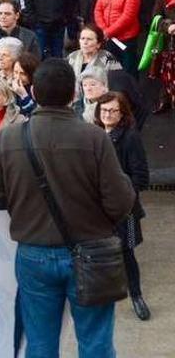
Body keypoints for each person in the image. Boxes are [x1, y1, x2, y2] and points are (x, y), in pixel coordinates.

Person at [0, 58, 135, 357]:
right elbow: (121, 202)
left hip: (34, 251)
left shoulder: (10, 137)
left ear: (33, 92)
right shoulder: (95, 137)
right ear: (73, 95)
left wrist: (23, 202)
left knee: (39, 344)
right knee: (96, 342)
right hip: (91, 250)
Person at [94, 91, 151, 321]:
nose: (107, 114)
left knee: (126, 253)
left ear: (122, 112)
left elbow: (141, 177)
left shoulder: (130, 137)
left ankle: (136, 296)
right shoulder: (93, 134)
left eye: (113, 110)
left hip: (123, 210)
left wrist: (119, 194)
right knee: (96, 254)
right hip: (96, 210)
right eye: (103, 110)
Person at [93, 0, 141, 74]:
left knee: (128, 69)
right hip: (108, 38)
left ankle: (130, 91)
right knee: (111, 69)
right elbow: (98, 9)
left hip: (125, 39)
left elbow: (128, 17)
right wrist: (103, 29)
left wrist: (109, 32)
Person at [0, 0, 40, 81]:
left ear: (17, 16)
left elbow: (34, 64)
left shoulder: (30, 37)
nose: (3, 17)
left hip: (22, 84)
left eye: (7, 14)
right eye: (0, 13)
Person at [12, 52, 39, 116]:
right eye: (15, 72)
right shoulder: (8, 86)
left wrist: (24, 95)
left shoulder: (38, 90)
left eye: (23, 74)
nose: (18, 77)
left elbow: (35, 114)